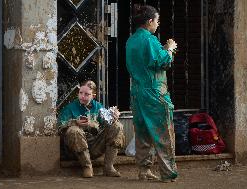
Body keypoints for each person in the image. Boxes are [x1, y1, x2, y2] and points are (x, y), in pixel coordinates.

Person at [125, 5, 178, 182]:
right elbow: (162, 62)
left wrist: (162, 50)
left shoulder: (131, 41)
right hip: (155, 92)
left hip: (137, 93)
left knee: (142, 133)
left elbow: (145, 61)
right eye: (157, 20)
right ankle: (168, 173)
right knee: (163, 133)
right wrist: (169, 48)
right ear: (149, 22)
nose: (157, 24)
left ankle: (144, 170)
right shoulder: (150, 39)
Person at [58, 80, 124, 178]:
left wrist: (113, 116)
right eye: (80, 93)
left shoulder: (98, 107)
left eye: (87, 94)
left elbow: (108, 124)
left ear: (93, 95)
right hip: (75, 150)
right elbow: (59, 127)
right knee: (74, 130)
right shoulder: (70, 108)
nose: (82, 96)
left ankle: (109, 167)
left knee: (117, 126)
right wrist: (74, 122)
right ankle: (87, 167)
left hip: (95, 146)